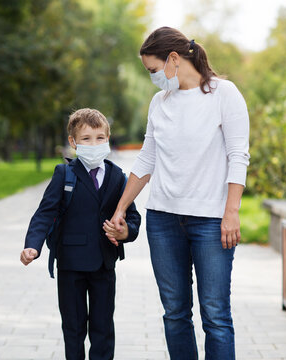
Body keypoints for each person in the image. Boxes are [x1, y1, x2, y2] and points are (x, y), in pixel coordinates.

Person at [106, 27, 250, 360]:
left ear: (173, 58)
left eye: (153, 70)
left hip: (211, 223)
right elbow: (146, 159)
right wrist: (120, 208)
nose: (153, 78)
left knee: (215, 315)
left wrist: (231, 212)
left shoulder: (224, 94)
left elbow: (238, 155)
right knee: (174, 313)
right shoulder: (160, 102)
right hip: (163, 221)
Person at [21, 108, 141, 360]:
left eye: (100, 138)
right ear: (73, 142)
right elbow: (45, 213)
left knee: (103, 327)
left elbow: (133, 218)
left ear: (108, 139)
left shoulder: (118, 177)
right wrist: (33, 245)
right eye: (86, 139)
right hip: (71, 265)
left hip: (104, 265)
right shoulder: (63, 174)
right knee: (73, 328)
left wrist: (125, 232)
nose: (94, 144)